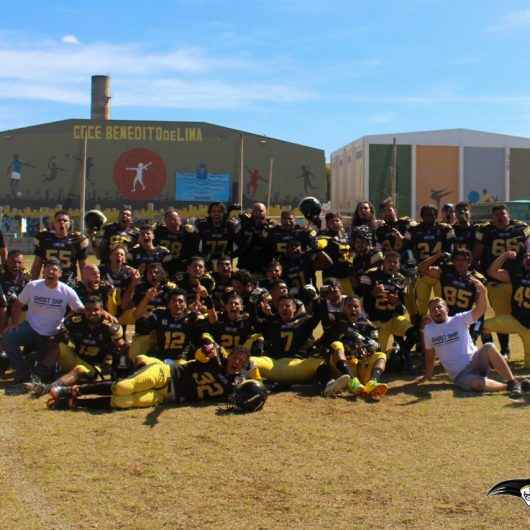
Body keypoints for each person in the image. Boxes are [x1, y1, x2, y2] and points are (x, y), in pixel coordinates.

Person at [46, 335, 261, 410]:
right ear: (230, 355)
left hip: (168, 396)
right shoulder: (215, 358)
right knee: (123, 387)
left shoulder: (235, 383)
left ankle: (74, 402)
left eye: (241, 362)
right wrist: (206, 349)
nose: (237, 362)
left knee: (122, 402)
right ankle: (74, 390)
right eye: (236, 357)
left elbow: (242, 396)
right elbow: (202, 355)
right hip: (166, 373)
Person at [421, 277, 527, 398]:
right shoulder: (429, 330)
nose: (436, 310)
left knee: (489, 346)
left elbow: (480, 310)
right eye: (433, 309)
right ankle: (513, 387)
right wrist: (428, 375)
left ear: (447, 309)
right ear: (430, 313)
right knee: (477, 384)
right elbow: (429, 355)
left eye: (439, 306)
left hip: (476, 362)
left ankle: (512, 381)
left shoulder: (459, 319)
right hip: (460, 375)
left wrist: (483, 292)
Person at [4, 258, 84, 384]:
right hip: (31, 328)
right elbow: (18, 305)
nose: (50, 272)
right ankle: (21, 371)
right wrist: (15, 324)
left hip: (53, 334)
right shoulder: (33, 286)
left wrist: (66, 322)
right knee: (8, 337)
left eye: (54, 270)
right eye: (47, 268)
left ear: (60, 274)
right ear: (43, 271)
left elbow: (80, 309)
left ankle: (33, 363)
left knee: (48, 371)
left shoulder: (66, 290)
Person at [474, 204, 530, 358]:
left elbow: (528, 246)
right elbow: (477, 254)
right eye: (496, 214)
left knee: (524, 313)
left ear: (508, 215)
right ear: (492, 218)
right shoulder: (486, 230)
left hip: (520, 277)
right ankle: (505, 349)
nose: (500, 217)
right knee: (502, 315)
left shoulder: (521, 228)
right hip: (498, 279)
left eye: (502, 214)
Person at [485, 250, 530, 367]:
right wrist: (504, 255)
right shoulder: (517, 274)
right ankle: (490, 356)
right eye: (526, 257)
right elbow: (491, 272)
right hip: (514, 321)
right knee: (480, 326)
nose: (528, 259)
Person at [32, 210, 89, 284]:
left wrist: (85, 285)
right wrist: (32, 284)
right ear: (54, 223)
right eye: (59, 220)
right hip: (48, 281)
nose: (62, 222)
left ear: (70, 223)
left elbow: (83, 267)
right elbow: (37, 266)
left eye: (65, 220)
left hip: (69, 283)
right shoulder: (44, 239)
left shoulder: (77, 240)